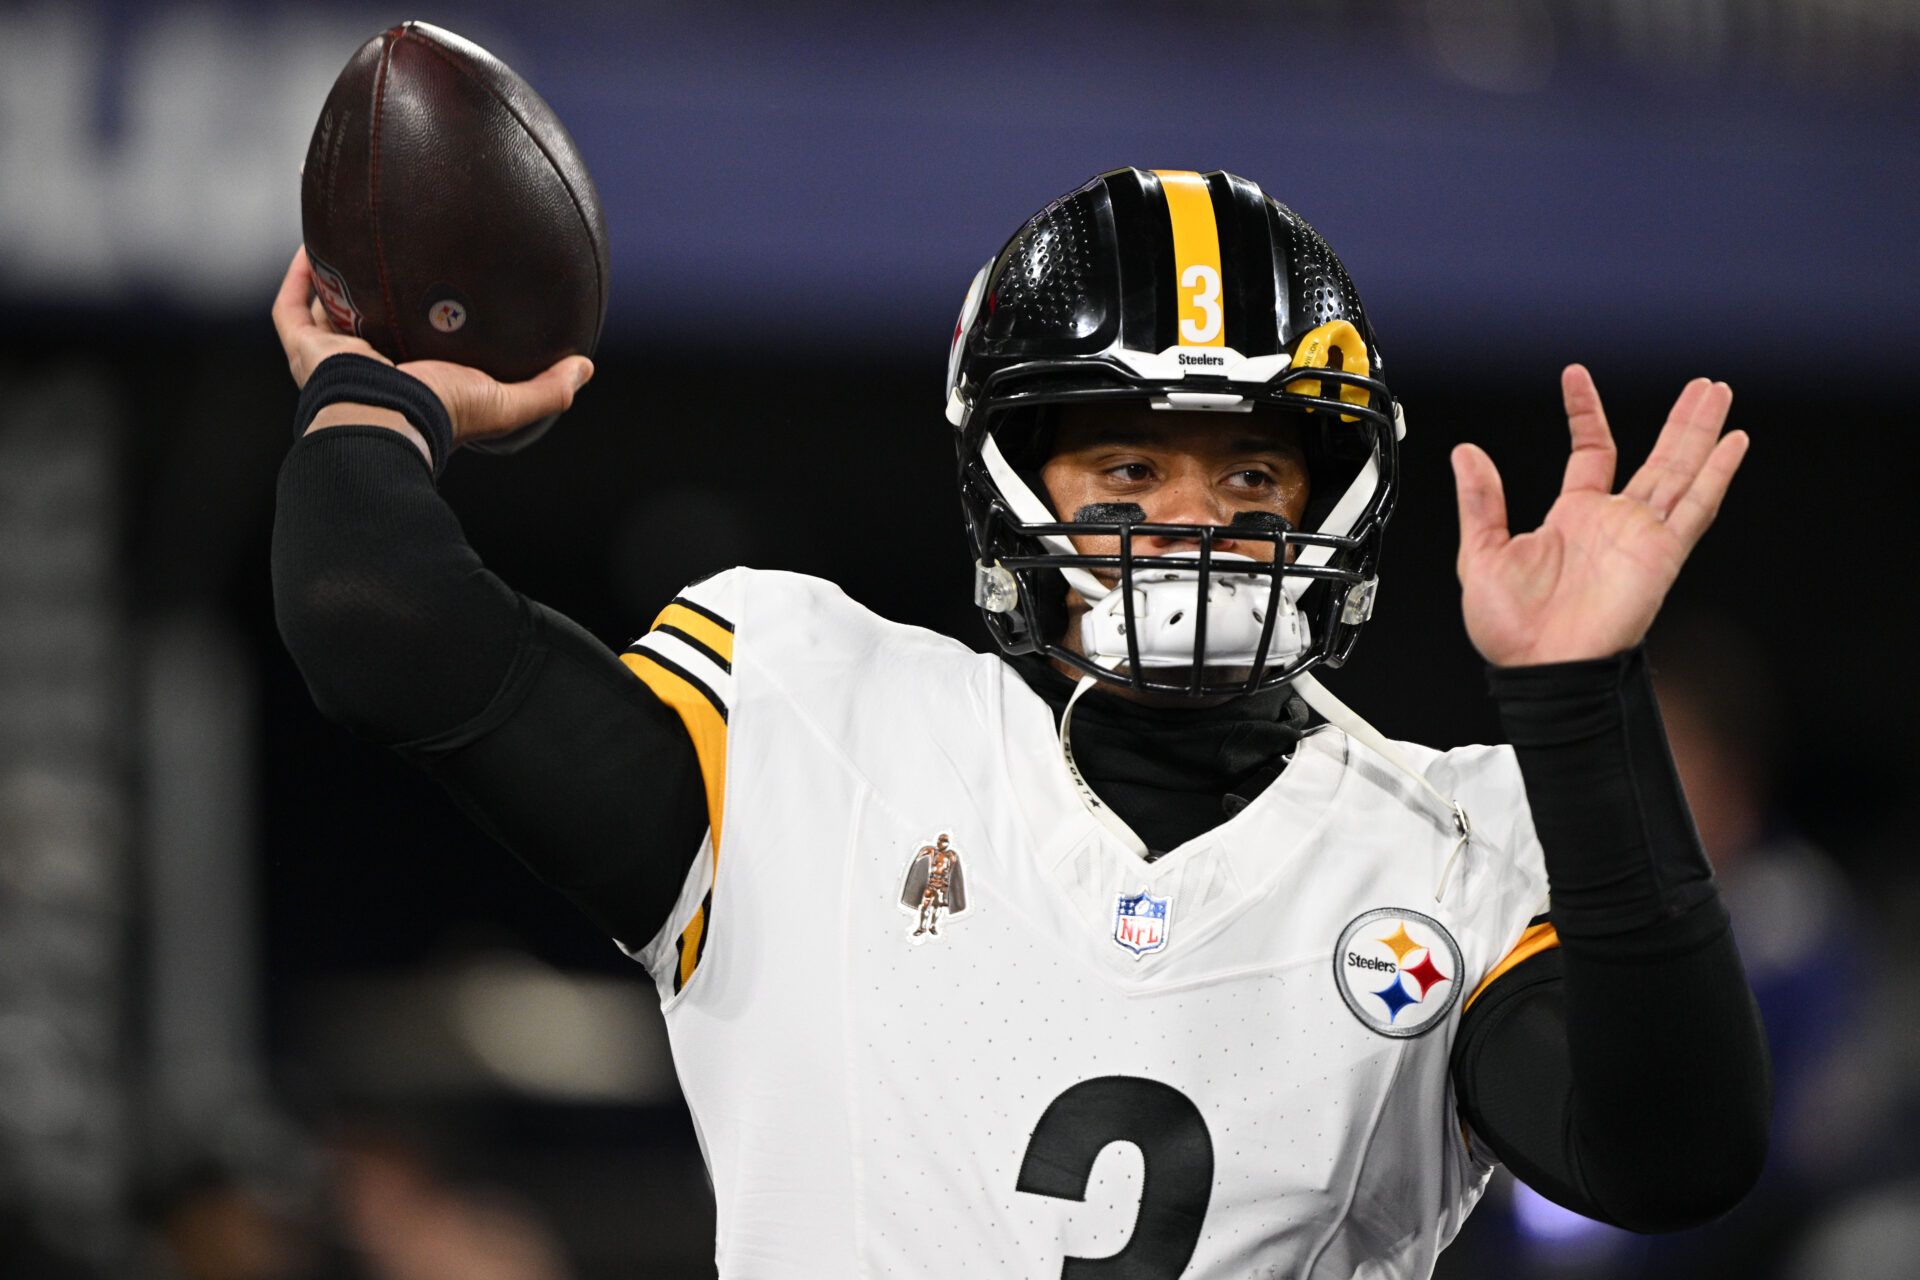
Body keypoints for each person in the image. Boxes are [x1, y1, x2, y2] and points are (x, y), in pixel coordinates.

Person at [270, 168, 1770, 1278]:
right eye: (1127, 472)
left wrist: (1584, 703)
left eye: (1251, 480)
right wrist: (375, 402)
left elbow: (1675, 1160)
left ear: (1329, 502)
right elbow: (378, 623)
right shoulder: (817, 719)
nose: (1192, 524)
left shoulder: (1441, 844)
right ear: (1016, 489)